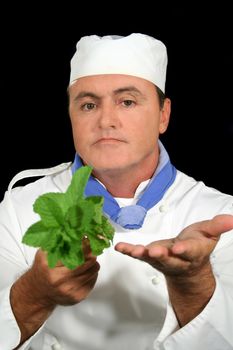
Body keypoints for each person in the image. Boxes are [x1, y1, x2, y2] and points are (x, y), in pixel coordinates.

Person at [0, 33, 233, 350]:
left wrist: (193, 283)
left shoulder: (221, 217)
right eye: (88, 104)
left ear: (163, 115)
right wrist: (33, 293)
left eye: (127, 101)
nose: (106, 120)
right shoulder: (18, 209)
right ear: (70, 114)